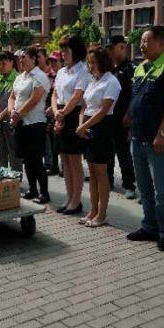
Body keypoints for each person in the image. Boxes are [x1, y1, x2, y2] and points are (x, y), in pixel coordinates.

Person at [126, 26, 164, 251]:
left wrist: (162, 133)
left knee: (162, 189)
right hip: (138, 137)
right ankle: (149, 226)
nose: (142, 45)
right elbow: (136, 99)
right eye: (141, 41)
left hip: (158, 140)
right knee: (144, 188)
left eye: (146, 41)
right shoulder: (141, 67)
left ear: (161, 43)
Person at [76, 47, 121, 227]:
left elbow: (103, 110)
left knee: (101, 172)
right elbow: (84, 106)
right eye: (89, 62)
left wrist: (84, 126)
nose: (90, 65)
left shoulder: (112, 81)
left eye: (94, 62)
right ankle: (93, 210)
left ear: (103, 62)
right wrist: (81, 125)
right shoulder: (92, 80)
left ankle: (102, 214)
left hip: (102, 127)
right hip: (87, 126)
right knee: (92, 171)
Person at [51, 35, 90, 214]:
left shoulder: (83, 70)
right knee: (64, 159)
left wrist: (63, 113)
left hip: (73, 115)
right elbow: (54, 94)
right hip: (60, 114)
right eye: (62, 50)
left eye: (66, 50)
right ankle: (69, 197)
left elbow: (77, 95)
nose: (63, 54)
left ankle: (76, 200)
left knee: (74, 160)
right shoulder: (61, 72)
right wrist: (56, 112)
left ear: (76, 50)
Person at [10, 47, 51, 204]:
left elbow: (34, 100)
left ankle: (44, 193)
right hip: (21, 124)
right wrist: (12, 111)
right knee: (26, 159)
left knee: (36, 160)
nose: (20, 60)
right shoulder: (20, 77)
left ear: (33, 59)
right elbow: (12, 97)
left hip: (35, 124)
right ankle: (32, 189)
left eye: (24, 57)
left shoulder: (39, 76)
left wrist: (17, 114)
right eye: (19, 58)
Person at [106, 37, 137, 200]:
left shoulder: (131, 69)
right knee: (108, 151)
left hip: (123, 118)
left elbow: (134, 94)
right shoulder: (110, 69)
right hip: (109, 117)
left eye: (112, 48)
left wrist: (128, 114)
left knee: (123, 152)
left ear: (122, 48)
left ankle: (129, 184)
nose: (110, 52)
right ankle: (108, 181)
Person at [44, 51, 61, 176]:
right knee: (52, 139)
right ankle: (54, 165)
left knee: (60, 140)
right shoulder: (49, 76)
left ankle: (64, 167)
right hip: (49, 112)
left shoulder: (64, 75)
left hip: (60, 111)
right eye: (51, 61)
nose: (53, 63)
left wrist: (53, 107)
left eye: (55, 61)